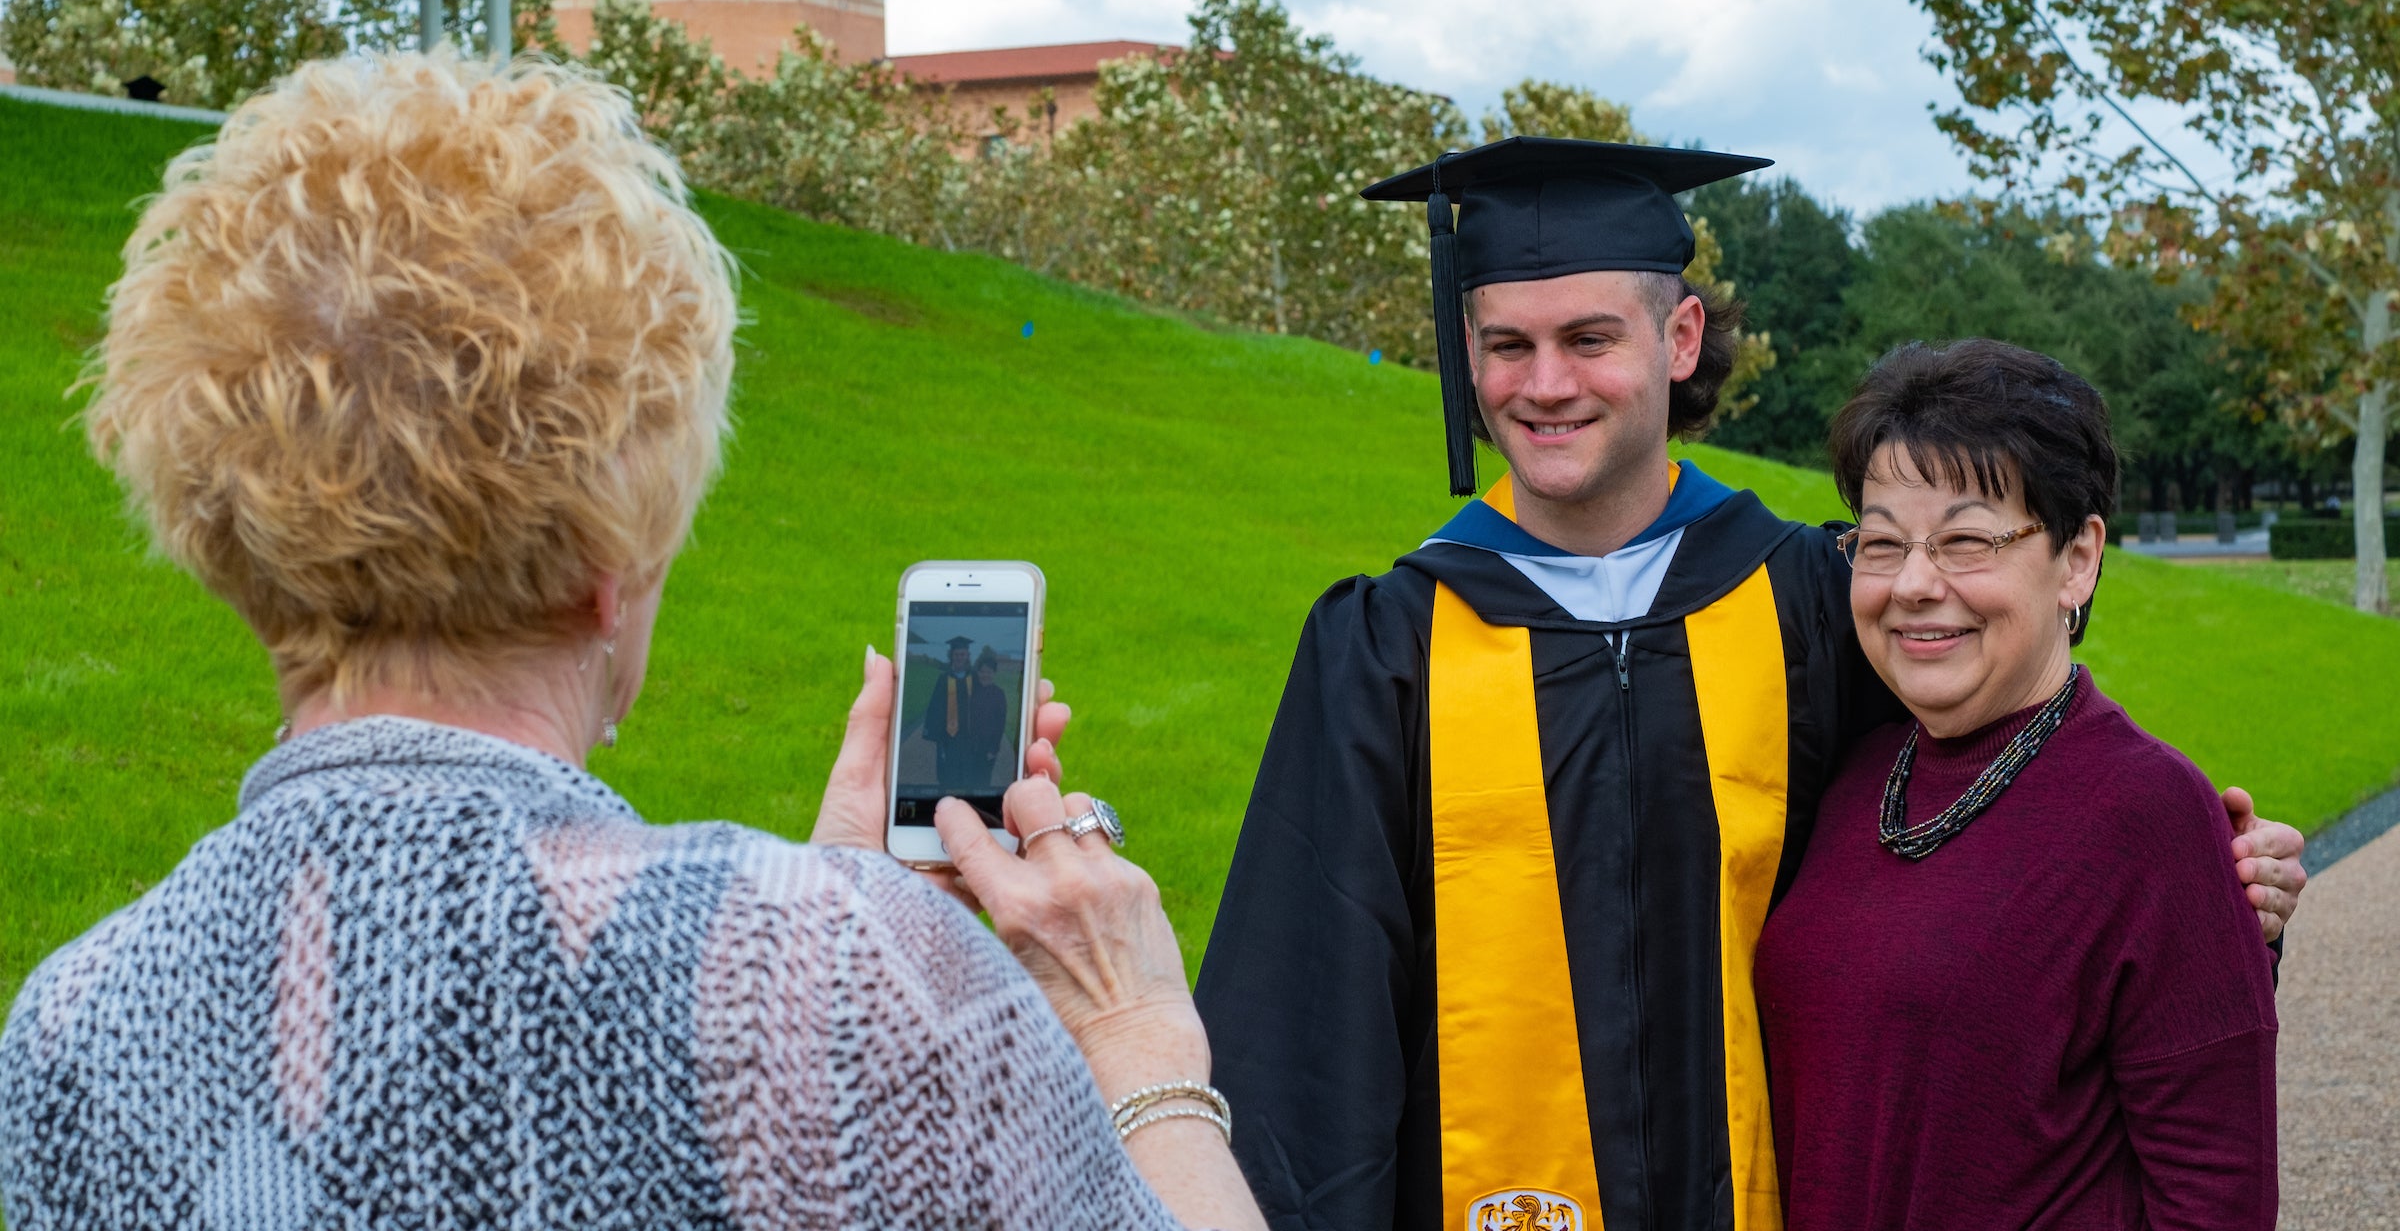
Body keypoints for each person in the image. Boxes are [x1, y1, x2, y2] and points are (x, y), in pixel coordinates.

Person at [0, 52, 1265, 1231]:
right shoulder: (862, 981)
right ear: (615, 561)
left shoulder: (68, 1027)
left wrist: (833, 899)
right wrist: (1140, 1039)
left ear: (227, 548)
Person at [1193, 136, 2309, 1231]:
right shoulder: (1388, 646)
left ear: (1681, 338)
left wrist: (2209, 890)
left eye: (1590, 337)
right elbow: (1306, 1034)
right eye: (1505, 344)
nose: (1544, 385)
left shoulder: (1805, 603)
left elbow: (1994, 809)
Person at [1756, 340, 2277, 1228]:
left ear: (2077, 560)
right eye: (1881, 544)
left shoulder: (2149, 814)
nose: (1916, 584)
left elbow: (2215, 1198)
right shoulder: (1853, 774)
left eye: (1966, 540)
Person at [921, 635, 1007, 792]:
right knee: (948, 775)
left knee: (969, 776)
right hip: (949, 737)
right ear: (951, 656)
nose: (959, 658)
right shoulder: (943, 678)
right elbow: (935, 707)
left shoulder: (974, 677)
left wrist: (991, 744)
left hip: (970, 737)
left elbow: (986, 701)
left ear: (967, 656)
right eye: (956, 655)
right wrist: (936, 735)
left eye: (962, 654)